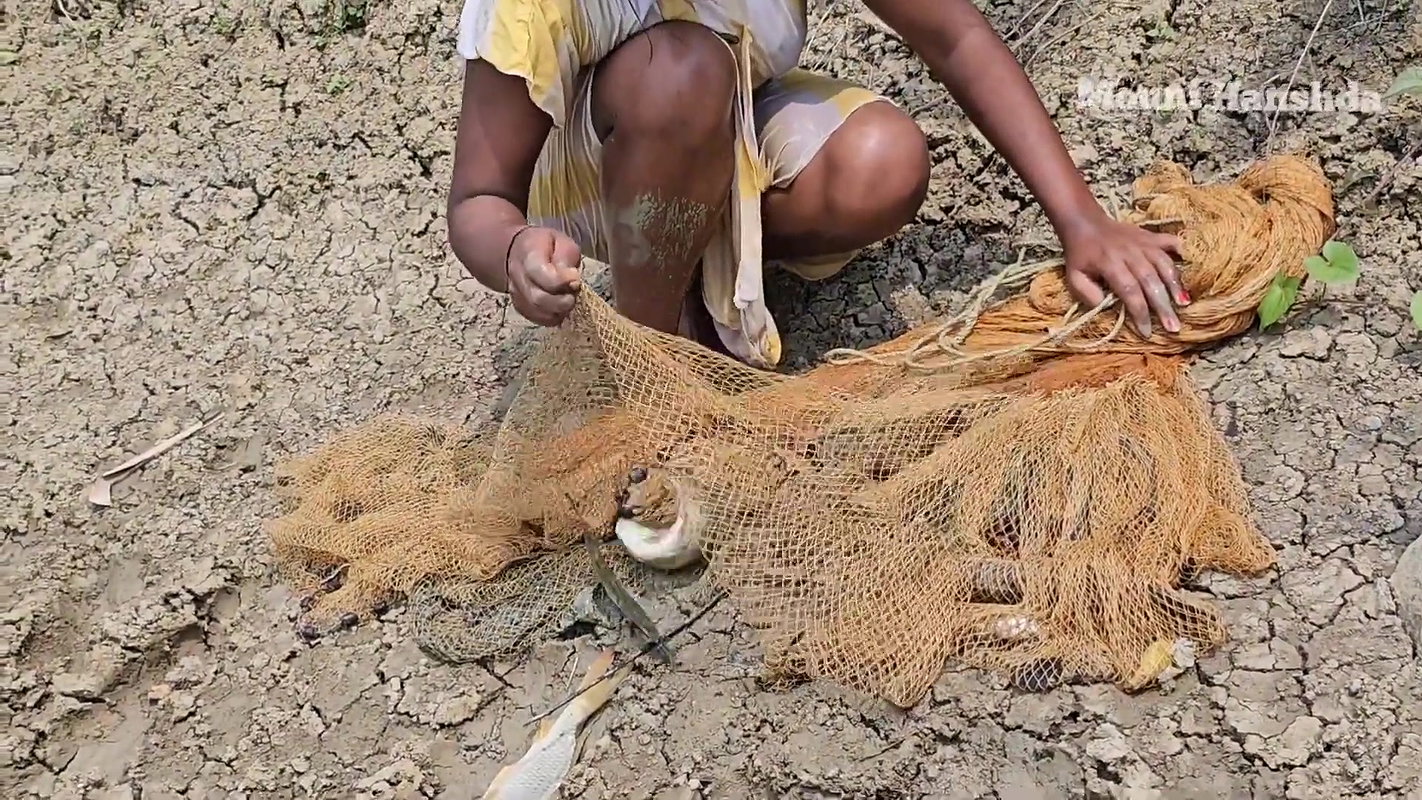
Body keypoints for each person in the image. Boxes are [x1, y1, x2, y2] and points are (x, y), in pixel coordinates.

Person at [446, 0, 1192, 370]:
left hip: (718, 121)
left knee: (882, 162)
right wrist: (516, 253)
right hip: (588, 186)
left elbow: (954, 35)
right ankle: (656, 361)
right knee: (678, 72)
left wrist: (1082, 222)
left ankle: (703, 273)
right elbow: (478, 201)